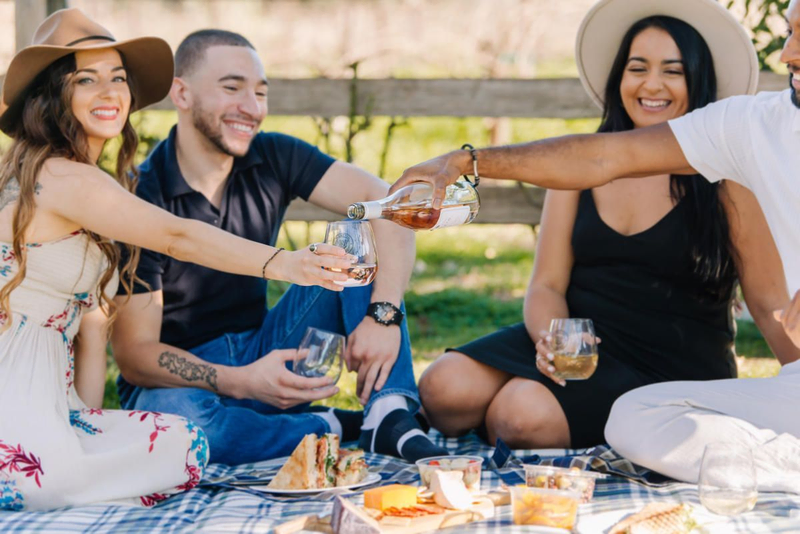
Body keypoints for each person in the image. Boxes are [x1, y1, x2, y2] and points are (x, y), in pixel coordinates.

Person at [395, 0, 800, 491]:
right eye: (638, 68)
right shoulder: (726, 132)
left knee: (519, 413)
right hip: (585, 341)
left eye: (673, 70)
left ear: (698, 79)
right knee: (443, 388)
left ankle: (538, 427)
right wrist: (463, 162)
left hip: (669, 354)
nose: (652, 84)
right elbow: (555, 261)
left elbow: (766, 297)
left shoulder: (725, 170)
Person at [0, 8, 360, 511]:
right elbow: (176, 236)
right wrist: (284, 263)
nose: (110, 92)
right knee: (60, 478)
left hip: (53, 396)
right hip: (11, 392)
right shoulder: (60, 176)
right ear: (54, 92)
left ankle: (372, 417)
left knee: (180, 446)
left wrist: (92, 370)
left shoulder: (80, 178)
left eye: (118, 78)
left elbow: (88, 345)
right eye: (87, 79)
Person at [109, 29, 448, 465]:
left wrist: (385, 313)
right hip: (180, 382)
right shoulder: (140, 195)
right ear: (182, 93)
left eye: (261, 92)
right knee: (185, 428)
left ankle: (387, 413)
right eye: (232, 88)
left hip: (271, 349)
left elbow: (391, 207)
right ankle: (330, 426)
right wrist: (240, 381)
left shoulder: (272, 155)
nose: (252, 109)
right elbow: (135, 357)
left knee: (357, 231)